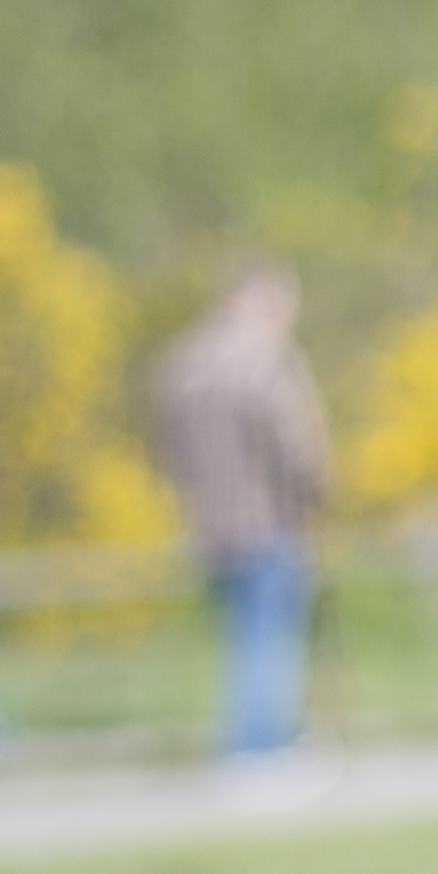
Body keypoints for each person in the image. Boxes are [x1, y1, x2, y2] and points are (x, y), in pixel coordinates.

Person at [148, 263, 326, 772]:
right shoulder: (265, 362)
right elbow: (297, 449)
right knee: (270, 638)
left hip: (207, 525)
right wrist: (316, 495)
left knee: (243, 637)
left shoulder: (180, 363)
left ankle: (248, 743)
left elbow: (165, 448)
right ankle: (260, 750)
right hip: (268, 520)